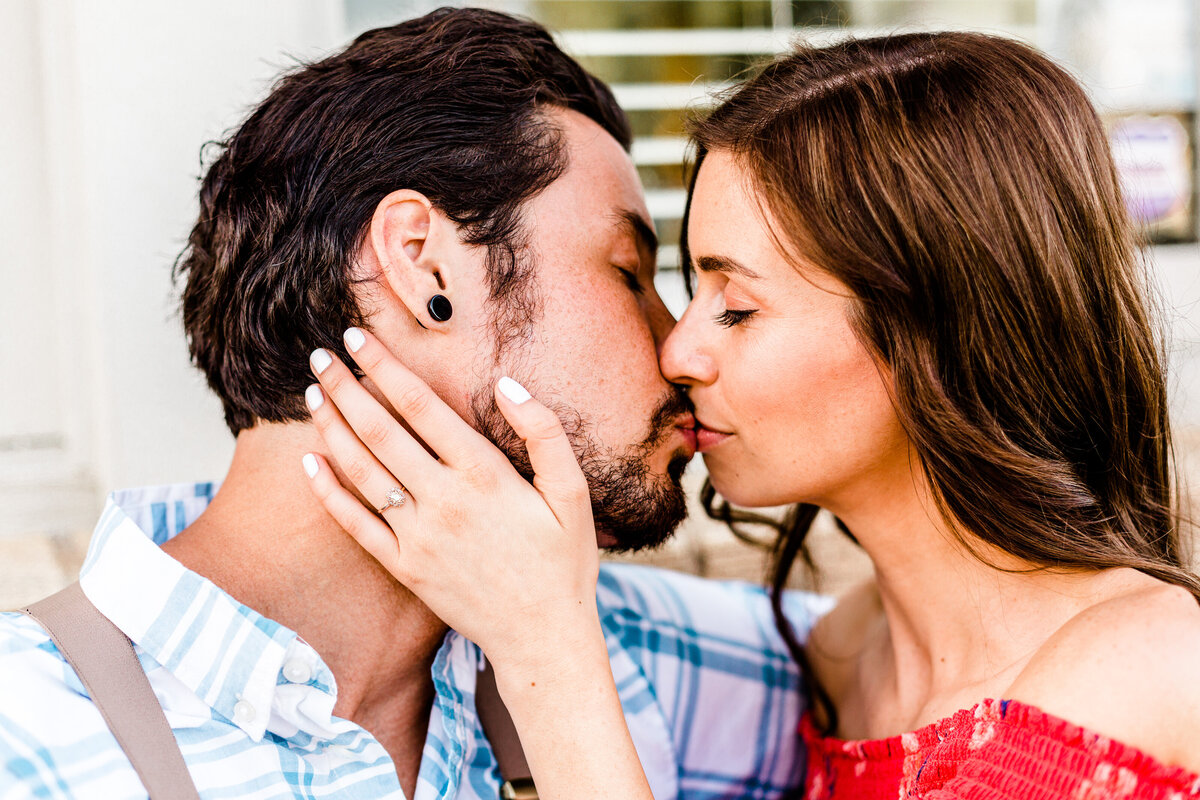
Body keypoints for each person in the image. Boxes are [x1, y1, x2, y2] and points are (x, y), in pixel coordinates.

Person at [303, 30, 1200, 800]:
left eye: (736, 307)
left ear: (938, 325)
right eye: (690, 292)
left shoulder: (1158, 666)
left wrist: (547, 648)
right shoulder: (840, 656)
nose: (679, 353)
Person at [0, 9, 826, 799]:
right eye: (626, 272)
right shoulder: (23, 739)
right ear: (423, 267)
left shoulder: (622, 647)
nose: (677, 349)